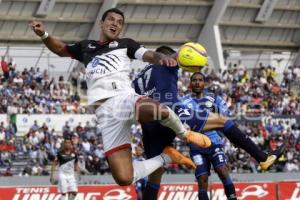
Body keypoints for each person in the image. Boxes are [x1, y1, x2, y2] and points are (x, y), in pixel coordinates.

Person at [31, 8, 210, 186]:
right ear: (101, 23)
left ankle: (185, 134)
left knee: (159, 110)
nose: (115, 24)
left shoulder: (126, 44)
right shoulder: (86, 47)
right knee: (125, 178)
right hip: (105, 116)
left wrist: (161, 57)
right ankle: (167, 156)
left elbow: (148, 54)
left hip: (123, 98)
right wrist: (44, 34)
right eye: (111, 19)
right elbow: (61, 49)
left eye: (119, 22)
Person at [132, 46, 285, 200]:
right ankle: (263, 159)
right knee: (222, 121)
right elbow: (184, 55)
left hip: (149, 126)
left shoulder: (139, 78)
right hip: (170, 112)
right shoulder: (166, 62)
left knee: (155, 174)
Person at [183, 72, 237, 200]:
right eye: (194, 80)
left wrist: (234, 139)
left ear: (204, 83)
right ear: (191, 83)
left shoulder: (215, 99)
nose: (197, 82)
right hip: (196, 146)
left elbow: (226, 118)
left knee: (222, 170)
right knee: (202, 179)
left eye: (200, 80)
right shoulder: (183, 102)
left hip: (214, 143)